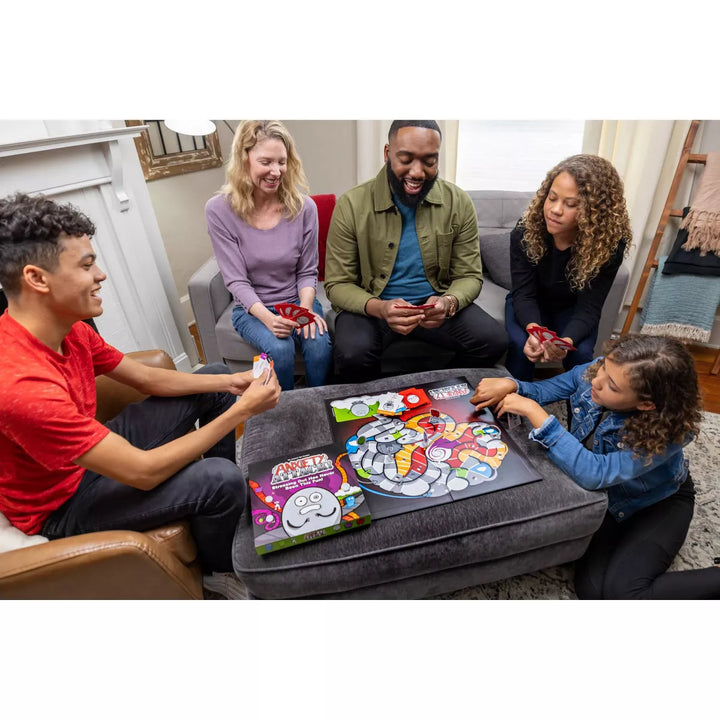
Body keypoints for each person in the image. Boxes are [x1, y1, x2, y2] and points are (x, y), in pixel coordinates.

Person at [0, 192, 281, 598]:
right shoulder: (21, 386)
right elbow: (142, 471)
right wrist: (241, 413)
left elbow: (150, 380)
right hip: (61, 505)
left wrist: (231, 386)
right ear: (37, 279)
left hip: (90, 453)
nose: (100, 275)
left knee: (217, 373)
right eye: (86, 265)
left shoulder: (70, 328)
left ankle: (226, 512)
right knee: (216, 478)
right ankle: (222, 572)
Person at [471, 334, 720, 599]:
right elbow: (543, 390)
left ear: (646, 404)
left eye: (612, 386)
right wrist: (511, 384)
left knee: (623, 594)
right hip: (610, 501)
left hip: (658, 502)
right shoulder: (600, 372)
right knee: (590, 592)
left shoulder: (670, 430)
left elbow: (596, 473)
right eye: (603, 367)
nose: (597, 381)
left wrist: (537, 415)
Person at [324, 120, 507, 383]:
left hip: (434, 305)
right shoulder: (351, 205)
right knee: (353, 354)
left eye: (429, 161)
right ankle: (379, 401)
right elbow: (338, 284)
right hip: (374, 306)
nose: (417, 172)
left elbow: (469, 275)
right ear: (387, 154)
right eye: (406, 159)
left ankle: (439, 388)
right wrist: (381, 308)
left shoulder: (458, 202)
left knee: (493, 340)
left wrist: (448, 302)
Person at [205, 120, 332, 391]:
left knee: (319, 344)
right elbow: (236, 281)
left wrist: (305, 311)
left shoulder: (304, 207)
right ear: (244, 159)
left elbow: (307, 271)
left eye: (282, 162)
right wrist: (268, 318)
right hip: (252, 309)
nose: (276, 172)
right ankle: (280, 411)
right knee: (280, 348)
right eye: (266, 162)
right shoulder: (218, 210)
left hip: (298, 301)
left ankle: (318, 406)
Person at [506, 154, 631, 381]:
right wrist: (535, 332)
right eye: (552, 198)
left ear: (595, 212)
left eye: (571, 204)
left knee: (581, 354)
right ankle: (513, 410)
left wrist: (566, 342)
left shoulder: (609, 246)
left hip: (573, 309)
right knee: (519, 345)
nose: (555, 210)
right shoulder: (525, 231)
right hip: (531, 303)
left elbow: (590, 307)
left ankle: (581, 413)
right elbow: (523, 294)